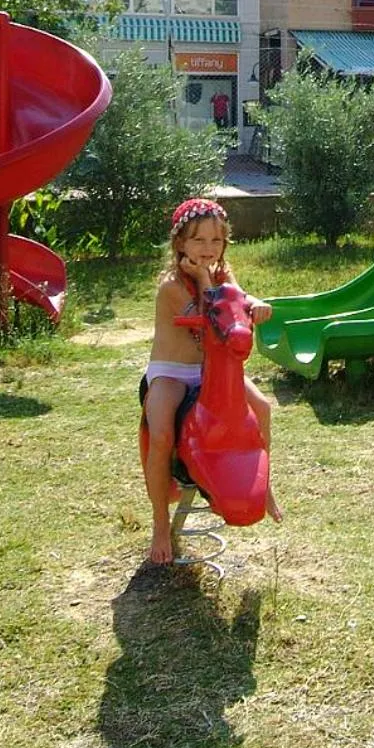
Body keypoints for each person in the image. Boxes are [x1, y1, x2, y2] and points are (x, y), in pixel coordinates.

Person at [140, 198, 280, 564]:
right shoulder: (172, 284)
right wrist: (203, 279)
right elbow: (211, 312)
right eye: (199, 240)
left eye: (216, 241)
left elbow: (238, 300)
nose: (208, 249)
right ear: (180, 244)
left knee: (262, 408)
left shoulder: (223, 273)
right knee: (161, 434)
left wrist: (257, 303)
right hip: (173, 372)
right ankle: (158, 520)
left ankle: (263, 485)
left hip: (211, 372)